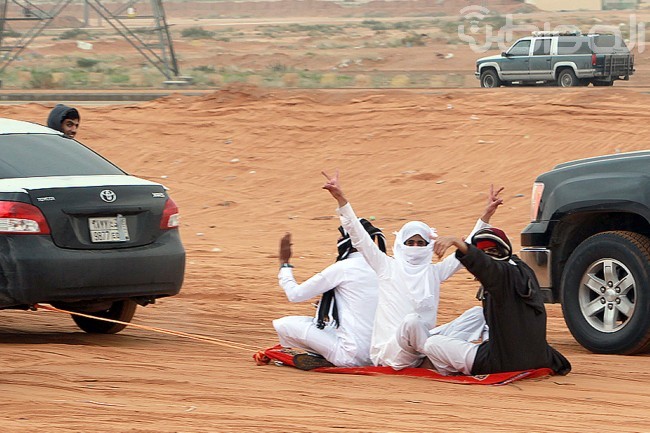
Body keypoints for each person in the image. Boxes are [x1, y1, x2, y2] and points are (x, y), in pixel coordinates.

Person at [322, 170, 502, 370]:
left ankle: (445, 356)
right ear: (401, 243)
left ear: (428, 245)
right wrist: (341, 199)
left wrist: (486, 216)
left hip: (423, 345)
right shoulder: (385, 265)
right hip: (391, 353)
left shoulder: (434, 272)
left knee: (478, 313)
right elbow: (359, 237)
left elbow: (467, 250)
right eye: (410, 242)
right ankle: (439, 357)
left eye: (420, 242)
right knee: (412, 322)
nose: (415, 247)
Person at [420, 227, 572, 376]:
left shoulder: (503, 274)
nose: (487, 256)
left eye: (491, 252)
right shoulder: (522, 269)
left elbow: (487, 266)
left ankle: (449, 369)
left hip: (502, 362)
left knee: (432, 344)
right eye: (483, 252)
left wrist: (458, 243)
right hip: (539, 356)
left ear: (502, 252)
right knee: (478, 314)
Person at [273, 218, 387, 369]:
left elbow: (295, 295)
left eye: (342, 236)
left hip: (350, 356)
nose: (339, 239)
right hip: (380, 355)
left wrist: (284, 263)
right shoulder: (386, 265)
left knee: (284, 325)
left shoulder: (343, 267)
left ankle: (325, 356)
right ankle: (323, 355)